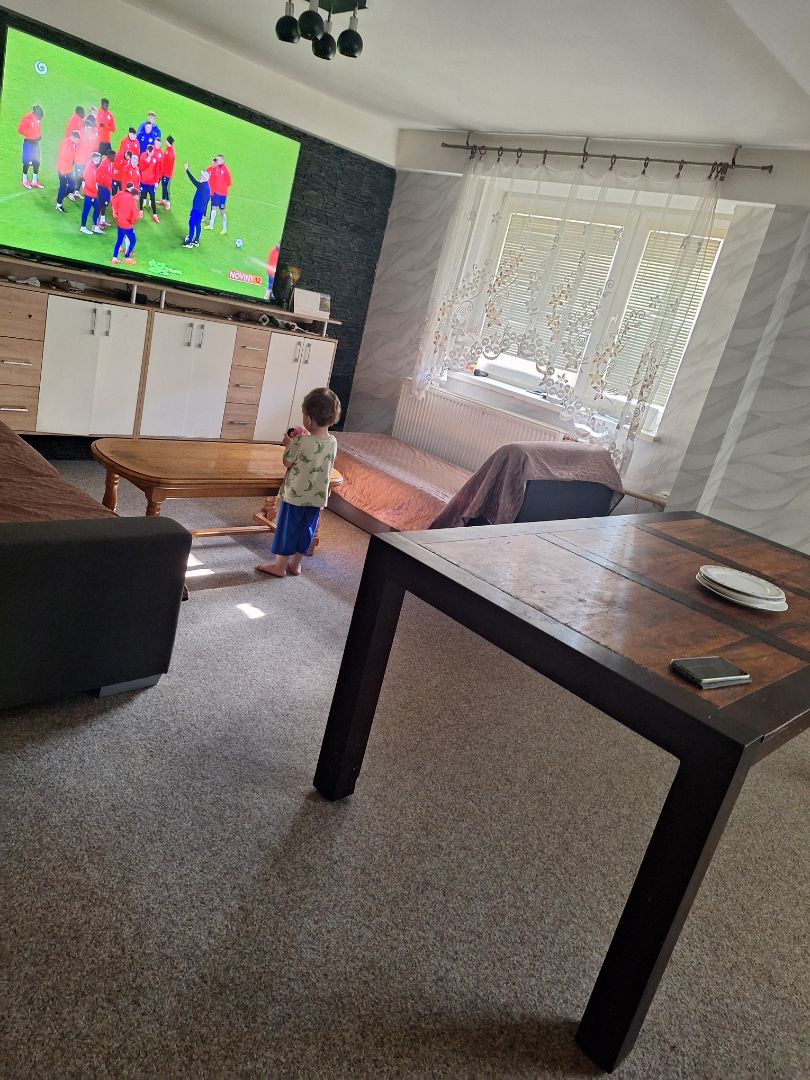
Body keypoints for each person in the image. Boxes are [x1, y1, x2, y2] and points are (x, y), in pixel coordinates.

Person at [256, 387, 341, 578]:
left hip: (295, 496)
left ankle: (279, 566)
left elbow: (287, 462)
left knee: (287, 530)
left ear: (309, 419)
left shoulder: (301, 441)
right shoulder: (333, 442)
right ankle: (295, 565)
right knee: (306, 530)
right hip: (316, 498)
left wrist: (289, 444)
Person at [181, 162, 210, 248]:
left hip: (196, 210)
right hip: (201, 210)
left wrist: (187, 170)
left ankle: (189, 241)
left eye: (202, 175)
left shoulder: (202, 186)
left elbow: (193, 180)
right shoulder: (208, 188)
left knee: (191, 223)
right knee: (197, 224)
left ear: (204, 178)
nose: (200, 176)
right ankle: (196, 240)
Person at [110, 182, 139, 264]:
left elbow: (113, 201)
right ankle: (126, 257)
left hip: (120, 222)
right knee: (133, 241)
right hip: (127, 225)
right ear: (134, 195)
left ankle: (114, 258)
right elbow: (135, 216)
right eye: (137, 196)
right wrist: (131, 222)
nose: (138, 197)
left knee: (119, 240)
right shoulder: (132, 201)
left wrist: (115, 211)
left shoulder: (122, 194)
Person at [18, 105, 44, 189]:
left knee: (37, 162)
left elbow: (37, 130)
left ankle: (34, 181)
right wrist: (31, 135)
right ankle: (24, 180)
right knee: (26, 161)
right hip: (28, 143)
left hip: (35, 143)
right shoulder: (27, 118)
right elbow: (20, 129)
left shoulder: (36, 119)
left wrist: (39, 136)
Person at [205, 154, 232, 234]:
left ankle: (224, 228)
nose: (218, 161)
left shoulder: (225, 170)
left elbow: (229, 182)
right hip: (216, 192)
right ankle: (211, 225)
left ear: (223, 161)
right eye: (217, 160)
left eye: (219, 160)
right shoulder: (216, 168)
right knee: (213, 207)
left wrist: (222, 187)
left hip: (222, 195)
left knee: (222, 211)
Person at [55, 130, 80, 212]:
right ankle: (59, 204)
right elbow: (62, 157)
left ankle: (60, 198)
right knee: (63, 186)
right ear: (73, 137)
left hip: (69, 168)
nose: (78, 141)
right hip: (63, 169)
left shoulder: (74, 144)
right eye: (77, 139)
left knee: (73, 185)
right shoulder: (65, 144)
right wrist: (63, 171)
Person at [80, 151, 104, 235]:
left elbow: (84, 176)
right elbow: (90, 182)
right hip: (90, 193)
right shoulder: (91, 167)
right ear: (93, 158)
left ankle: (94, 226)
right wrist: (96, 190)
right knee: (87, 210)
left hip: (91, 192)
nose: (99, 160)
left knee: (97, 207)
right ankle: (83, 227)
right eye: (97, 158)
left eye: (99, 158)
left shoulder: (91, 165)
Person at [138, 143, 160, 221]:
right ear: (147, 151)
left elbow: (157, 170)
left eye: (153, 151)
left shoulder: (155, 158)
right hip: (143, 181)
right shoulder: (143, 156)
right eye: (151, 151)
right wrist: (148, 160)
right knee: (142, 196)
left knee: (152, 197)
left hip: (151, 183)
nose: (152, 153)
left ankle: (155, 214)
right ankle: (140, 210)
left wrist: (156, 181)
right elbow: (141, 168)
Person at [95, 149, 115, 228]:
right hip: (103, 187)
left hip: (106, 187)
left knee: (104, 204)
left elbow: (108, 174)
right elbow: (98, 173)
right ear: (110, 156)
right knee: (101, 204)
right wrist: (101, 184)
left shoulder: (109, 162)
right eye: (114, 156)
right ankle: (97, 222)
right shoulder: (104, 164)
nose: (115, 158)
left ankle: (102, 220)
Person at [159, 134, 175, 208]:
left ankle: (168, 203)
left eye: (166, 140)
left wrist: (165, 173)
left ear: (168, 142)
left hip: (167, 174)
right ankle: (163, 200)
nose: (165, 141)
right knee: (164, 186)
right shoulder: (168, 149)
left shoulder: (171, 153)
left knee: (166, 188)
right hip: (164, 172)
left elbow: (169, 165)